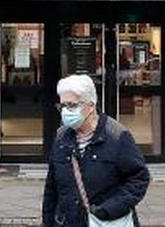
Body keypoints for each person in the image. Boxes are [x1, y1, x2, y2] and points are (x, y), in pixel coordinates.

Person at [42, 74, 149, 227]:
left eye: (71, 105)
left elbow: (139, 178)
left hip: (105, 221)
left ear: (91, 105)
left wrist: (109, 209)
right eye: (62, 106)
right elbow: (52, 188)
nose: (65, 111)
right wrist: (48, 222)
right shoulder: (61, 137)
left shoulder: (117, 136)